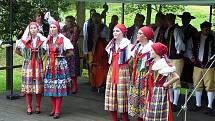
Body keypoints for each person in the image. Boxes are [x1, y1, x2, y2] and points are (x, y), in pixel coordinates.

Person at [43, 21, 74, 119]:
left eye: (54, 27)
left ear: (58, 28)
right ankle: (53, 108)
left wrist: (62, 57)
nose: (52, 29)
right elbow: (44, 50)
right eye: (51, 27)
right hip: (50, 65)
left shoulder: (63, 39)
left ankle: (57, 110)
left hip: (59, 65)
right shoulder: (48, 40)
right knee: (50, 87)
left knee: (59, 87)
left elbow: (71, 52)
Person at [15, 22, 46, 115]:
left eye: (34, 28)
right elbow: (17, 50)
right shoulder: (24, 40)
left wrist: (41, 57)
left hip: (38, 64)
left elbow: (48, 50)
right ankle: (29, 106)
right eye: (31, 28)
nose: (33, 29)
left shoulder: (42, 40)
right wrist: (26, 57)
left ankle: (38, 106)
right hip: (28, 65)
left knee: (38, 87)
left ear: (38, 29)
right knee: (28, 86)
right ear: (29, 30)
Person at [144, 42, 179, 121]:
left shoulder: (163, 64)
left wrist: (166, 84)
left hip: (159, 91)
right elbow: (152, 73)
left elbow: (176, 77)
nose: (150, 52)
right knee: (150, 111)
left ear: (157, 52)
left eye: (152, 50)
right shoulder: (154, 62)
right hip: (152, 89)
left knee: (156, 113)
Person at [105, 24, 132, 121]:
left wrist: (126, 69)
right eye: (114, 31)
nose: (115, 33)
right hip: (112, 70)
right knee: (111, 94)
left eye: (117, 31)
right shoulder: (112, 44)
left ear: (123, 33)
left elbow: (131, 60)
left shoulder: (128, 45)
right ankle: (114, 119)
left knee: (122, 95)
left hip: (123, 71)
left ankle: (125, 119)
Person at [128, 26, 154, 121]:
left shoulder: (151, 48)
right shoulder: (138, 46)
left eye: (140, 33)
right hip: (136, 75)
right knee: (137, 100)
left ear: (146, 36)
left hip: (146, 77)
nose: (137, 35)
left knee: (144, 99)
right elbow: (132, 60)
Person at [191, 21, 215, 116]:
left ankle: (209, 106)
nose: (206, 31)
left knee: (209, 86)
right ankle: (198, 104)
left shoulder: (213, 38)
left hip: (209, 65)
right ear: (201, 29)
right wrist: (191, 56)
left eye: (208, 29)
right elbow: (190, 47)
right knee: (197, 84)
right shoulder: (196, 37)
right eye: (205, 29)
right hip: (197, 64)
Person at [165, 13, 185, 111]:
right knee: (169, 80)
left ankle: (175, 103)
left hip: (176, 58)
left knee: (176, 81)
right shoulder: (169, 29)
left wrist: (177, 52)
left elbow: (180, 44)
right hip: (170, 58)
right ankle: (171, 101)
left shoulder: (176, 30)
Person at [178, 12, 198, 94]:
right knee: (179, 74)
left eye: (186, 19)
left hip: (188, 56)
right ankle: (178, 93)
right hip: (179, 55)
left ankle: (190, 91)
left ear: (189, 20)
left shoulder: (193, 30)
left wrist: (191, 55)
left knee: (189, 74)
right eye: (183, 18)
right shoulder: (179, 28)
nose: (184, 20)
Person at [62, 15, 81, 94]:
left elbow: (74, 39)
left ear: (73, 21)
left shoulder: (76, 28)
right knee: (65, 68)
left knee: (73, 68)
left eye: (70, 21)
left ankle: (74, 86)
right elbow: (62, 38)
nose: (69, 23)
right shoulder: (64, 28)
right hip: (65, 49)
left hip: (73, 49)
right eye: (67, 21)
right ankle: (66, 86)